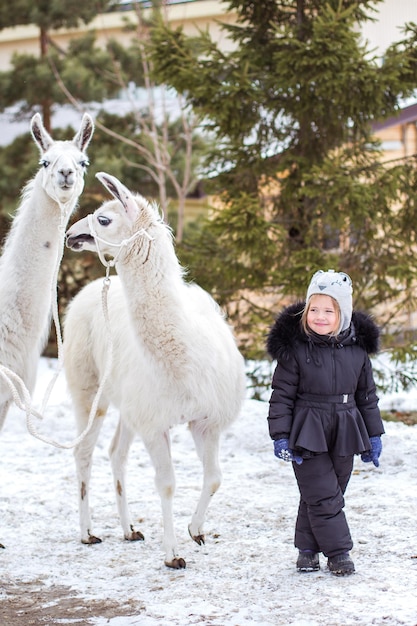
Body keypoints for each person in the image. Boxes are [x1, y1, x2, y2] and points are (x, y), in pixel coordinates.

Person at [267, 269, 384, 576]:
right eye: (313, 309)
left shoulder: (358, 351)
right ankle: (338, 552)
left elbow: (367, 397)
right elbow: (281, 396)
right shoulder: (296, 350)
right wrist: (280, 435)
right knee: (323, 495)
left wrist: (374, 435)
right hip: (307, 430)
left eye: (328, 310)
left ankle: (307, 550)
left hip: (347, 427)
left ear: (342, 314)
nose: (319, 316)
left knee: (326, 493)